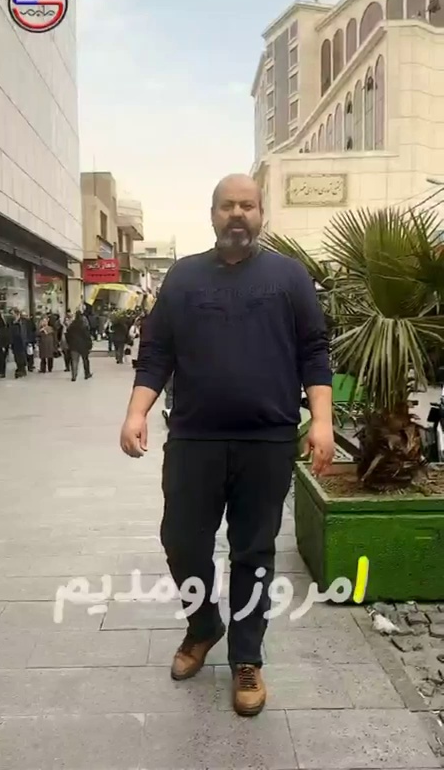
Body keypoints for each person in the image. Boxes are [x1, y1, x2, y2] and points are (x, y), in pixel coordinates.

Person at [120, 173, 334, 717]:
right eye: (227, 206)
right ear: (212, 214)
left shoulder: (289, 276)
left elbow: (314, 351)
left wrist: (322, 421)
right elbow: (157, 352)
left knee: (253, 551)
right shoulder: (184, 277)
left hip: (267, 440)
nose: (237, 214)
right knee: (182, 542)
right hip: (194, 437)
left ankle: (247, 657)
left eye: (247, 205)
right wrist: (136, 412)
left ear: (261, 213)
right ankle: (203, 626)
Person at [65, 310, 93, 381]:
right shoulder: (84, 325)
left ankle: (74, 375)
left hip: (74, 345)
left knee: (74, 360)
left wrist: (69, 343)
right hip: (83, 345)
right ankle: (87, 374)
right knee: (85, 360)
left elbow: (67, 335)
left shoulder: (72, 325)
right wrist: (89, 344)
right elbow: (87, 336)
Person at [9, 309, 28, 378]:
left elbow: (23, 332)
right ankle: (19, 369)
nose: (11, 315)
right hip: (15, 342)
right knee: (17, 357)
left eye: (12, 313)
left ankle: (22, 370)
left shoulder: (21, 322)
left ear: (16, 314)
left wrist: (24, 341)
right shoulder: (12, 322)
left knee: (21, 357)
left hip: (20, 342)